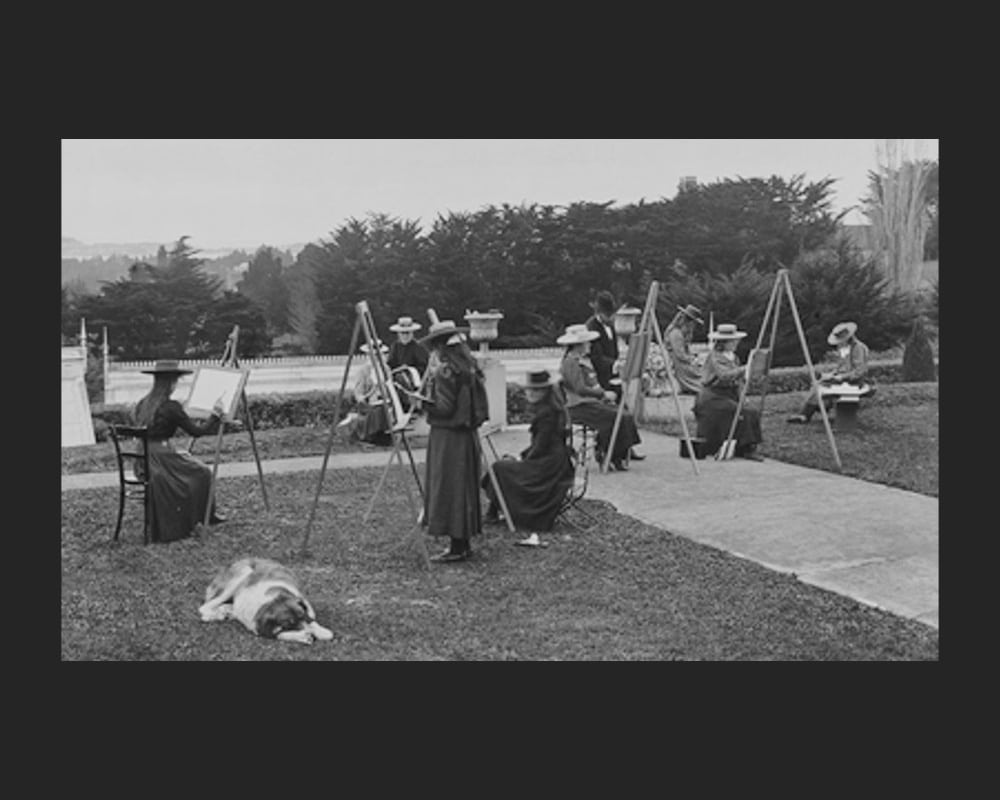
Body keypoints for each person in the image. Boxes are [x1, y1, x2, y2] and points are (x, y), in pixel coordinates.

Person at [132, 359, 226, 543]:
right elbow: (197, 432)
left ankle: (195, 515)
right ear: (172, 383)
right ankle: (204, 516)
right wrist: (215, 416)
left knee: (190, 466)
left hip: (142, 459)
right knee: (203, 472)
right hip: (161, 459)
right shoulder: (171, 407)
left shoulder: (143, 403)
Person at [420, 318, 490, 563]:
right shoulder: (469, 367)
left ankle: (457, 546)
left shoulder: (446, 371)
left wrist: (422, 403)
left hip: (448, 437)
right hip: (467, 436)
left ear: (440, 346)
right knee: (463, 487)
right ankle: (462, 542)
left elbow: (445, 407)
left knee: (449, 486)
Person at [481, 370, 573, 543]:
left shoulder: (547, 414)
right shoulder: (550, 409)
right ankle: (495, 511)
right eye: (529, 389)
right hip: (552, 461)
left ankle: (494, 512)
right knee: (502, 465)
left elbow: (541, 447)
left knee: (499, 468)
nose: (530, 393)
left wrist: (521, 458)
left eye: (535, 390)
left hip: (547, 465)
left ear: (545, 391)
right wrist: (522, 455)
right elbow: (540, 445)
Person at [558, 323, 642, 472]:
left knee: (624, 413)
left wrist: (603, 395)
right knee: (616, 417)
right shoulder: (570, 362)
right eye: (587, 342)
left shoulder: (582, 360)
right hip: (579, 406)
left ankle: (617, 454)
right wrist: (602, 394)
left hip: (590, 403)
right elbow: (580, 389)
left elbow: (592, 384)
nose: (590, 345)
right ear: (578, 345)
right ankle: (606, 452)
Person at [693, 323, 764, 460]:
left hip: (729, 394)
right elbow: (724, 375)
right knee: (739, 411)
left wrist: (742, 396)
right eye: (732, 341)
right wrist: (745, 368)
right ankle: (745, 448)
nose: (736, 344)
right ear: (723, 343)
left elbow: (738, 380)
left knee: (751, 411)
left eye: (736, 341)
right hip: (712, 396)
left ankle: (748, 446)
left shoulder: (733, 357)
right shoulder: (715, 357)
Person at [787, 321, 873, 424]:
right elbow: (841, 367)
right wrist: (832, 374)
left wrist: (841, 377)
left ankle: (808, 413)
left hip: (854, 382)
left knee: (820, 386)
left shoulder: (858, 348)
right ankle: (813, 410)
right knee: (818, 382)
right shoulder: (844, 348)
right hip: (843, 379)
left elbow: (859, 371)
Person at [347, 340, 394, 446]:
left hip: (384, 400)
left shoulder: (386, 369)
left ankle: (382, 435)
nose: (375, 358)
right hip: (368, 402)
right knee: (377, 409)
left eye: (378, 355)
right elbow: (358, 392)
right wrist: (365, 397)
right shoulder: (363, 371)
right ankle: (371, 435)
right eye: (373, 355)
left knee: (384, 407)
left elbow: (390, 386)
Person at [663, 303, 705, 395]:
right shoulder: (676, 333)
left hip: (681, 359)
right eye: (693, 323)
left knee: (699, 368)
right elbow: (679, 354)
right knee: (693, 372)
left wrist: (692, 357)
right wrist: (691, 359)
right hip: (676, 361)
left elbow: (685, 350)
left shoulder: (681, 333)